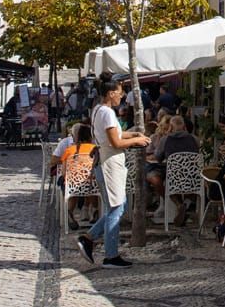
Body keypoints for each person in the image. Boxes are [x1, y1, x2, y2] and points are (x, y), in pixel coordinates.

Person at [77, 79, 151, 269]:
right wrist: (137, 142)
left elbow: (115, 136)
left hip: (107, 162)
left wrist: (133, 134)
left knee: (117, 206)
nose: (122, 95)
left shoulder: (98, 110)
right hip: (110, 163)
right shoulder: (108, 113)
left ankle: (89, 238)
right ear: (110, 93)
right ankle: (109, 254)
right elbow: (115, 143)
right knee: (116, 207)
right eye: (120, 92)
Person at [148, 116, 199, 225]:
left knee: (164, 181)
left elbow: (158, 157)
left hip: (173, 178)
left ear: (170, 127)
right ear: (184, 127)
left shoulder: (165, 140)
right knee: (193, 182)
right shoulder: (194, 139)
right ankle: (186, 203)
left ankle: (178, 204)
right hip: (193, 179)